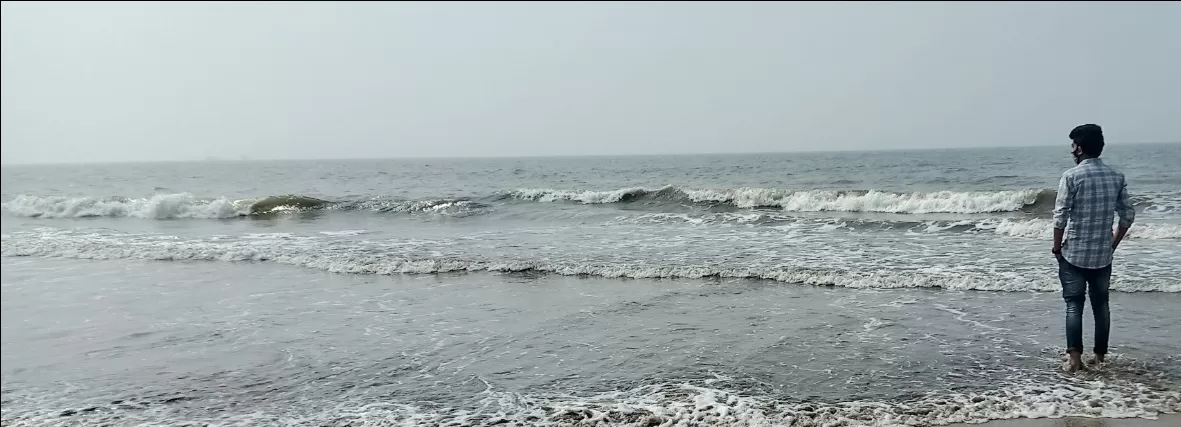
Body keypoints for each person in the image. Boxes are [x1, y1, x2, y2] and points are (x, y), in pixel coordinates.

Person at [1051, 123, 1135, 374]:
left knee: (1074, 304)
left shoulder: (1071, 176)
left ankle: (1075, 358)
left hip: (1074, 252)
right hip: (1102, 254)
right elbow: (1127, 215)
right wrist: (1113, 244)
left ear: (1079, 149)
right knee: (1101, 306)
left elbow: (1060, 216)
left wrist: (1057, 248)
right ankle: (1100, 357)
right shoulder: (1116, 176)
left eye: (1073, 145)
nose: (1071, 150)